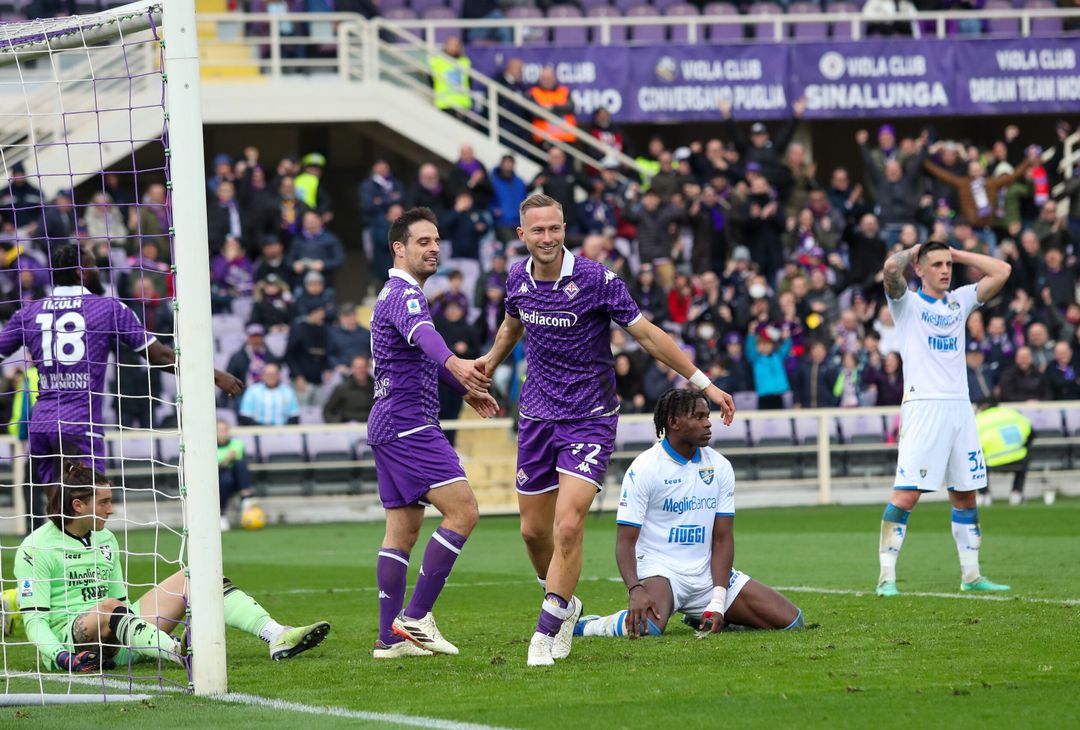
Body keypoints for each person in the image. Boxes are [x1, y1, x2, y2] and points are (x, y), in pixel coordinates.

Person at [478, 194, 736, 667]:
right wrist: (490, 364)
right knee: (533, 532)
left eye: (555, 228)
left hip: (590, 417)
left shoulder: (596, 279)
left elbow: (649, 336)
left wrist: (705, 385)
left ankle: (547, 630)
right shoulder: (516, 277)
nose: (548, 238)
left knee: (569, 524)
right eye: (538, 231)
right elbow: (512, 326)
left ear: (564, 228)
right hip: (536, 417)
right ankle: (566, 601)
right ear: (522, 236)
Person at [12, 462, 329, 672]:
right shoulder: (36, 547)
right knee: (108, 608)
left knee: (196, 576)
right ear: (78, 505)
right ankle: (177, 651)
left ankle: (276, 634)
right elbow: (35, 621)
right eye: (104, 502)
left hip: (120, 637)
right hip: (72, 646)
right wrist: (61, 657)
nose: (112, 509)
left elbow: (121, 602)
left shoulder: (105, 538)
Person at [0, 244, 242, 490]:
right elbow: (159, 356)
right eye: (93, 266)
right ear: (80, 272)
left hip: (41, 424)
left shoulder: (28, 312)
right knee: (91, 504)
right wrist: (213, 375)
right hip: (80, 424)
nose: (98, 272)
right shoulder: (108, 308)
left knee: (57, 507)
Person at [367, 207, 497, 659]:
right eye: (423, 241)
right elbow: (425, 337)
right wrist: (457, 364)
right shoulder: (405, 295)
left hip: (389, 423)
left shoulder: (391, 295)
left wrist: (462, 386)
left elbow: (416, 353)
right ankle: (416, 617)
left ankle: (389, 639)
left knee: (401, 532)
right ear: (399, 248)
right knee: (464, 512)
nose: (434, 248)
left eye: (437, 240)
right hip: (409, 424)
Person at [574, 389, 804, 640]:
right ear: (673, 422)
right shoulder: (645, 468)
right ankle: (588, 626)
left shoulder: (720, 466)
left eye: (707, 415)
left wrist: (717, 600)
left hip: (706, 573)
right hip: (661, 571)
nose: (708, 423)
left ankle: (706, 615)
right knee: (645, 629)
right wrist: (635, 589)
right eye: (698, 417)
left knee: (791, 621)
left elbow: (722, 538)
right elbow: (625, 542)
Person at [876, 240, 1012, 598]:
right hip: (924, 406)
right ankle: (886, 577)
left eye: (947, 264)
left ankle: (971, 575)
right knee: (906, 495)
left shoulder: (960, 300)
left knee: (966, 495)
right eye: (936, 264)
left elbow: (1003, 271)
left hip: (959, 408)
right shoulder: (907, 303)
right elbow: (892, 267)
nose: (945, 269)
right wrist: (917, 249)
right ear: (919, 269)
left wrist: (959, 252)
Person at [975, 400, 1033, 507]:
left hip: (992, 460)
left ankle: (985, 495)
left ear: (981, 407)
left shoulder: (978, 419)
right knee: (1025, 457)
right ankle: (1016, 494)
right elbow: (1031, 431)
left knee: (975, 460)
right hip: (1017, 457)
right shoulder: (1011, 413)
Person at [217, 419, 255, 531]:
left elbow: (237, 458)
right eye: (219, 430)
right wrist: (226, 459)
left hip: (236, 478)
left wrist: (225, 460)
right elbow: (216, 466)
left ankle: (245, 498)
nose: (222, 433)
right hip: (219, 479)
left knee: (240, 464)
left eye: (224, 430)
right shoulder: (209, 448)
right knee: (225, 479)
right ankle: (221, 514)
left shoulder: (237, 443)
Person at [429, 36, 472, 122]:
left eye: (456, 45)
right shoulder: (437, 61)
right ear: (445, 46)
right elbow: (430, 80)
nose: (453, 47)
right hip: (444, 104)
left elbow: (469, 82)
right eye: (451, 45)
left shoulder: (465, 61)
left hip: (462, 104)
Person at [323, 355, 376, 424]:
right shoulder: (342, 388)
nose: (360, 371)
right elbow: (327, 411)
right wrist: (337, 424)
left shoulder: (376, 387)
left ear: (367, 368)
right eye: (357, 368)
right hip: (347, 427)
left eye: (363, 367)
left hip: (372, 425)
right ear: (352, 369)